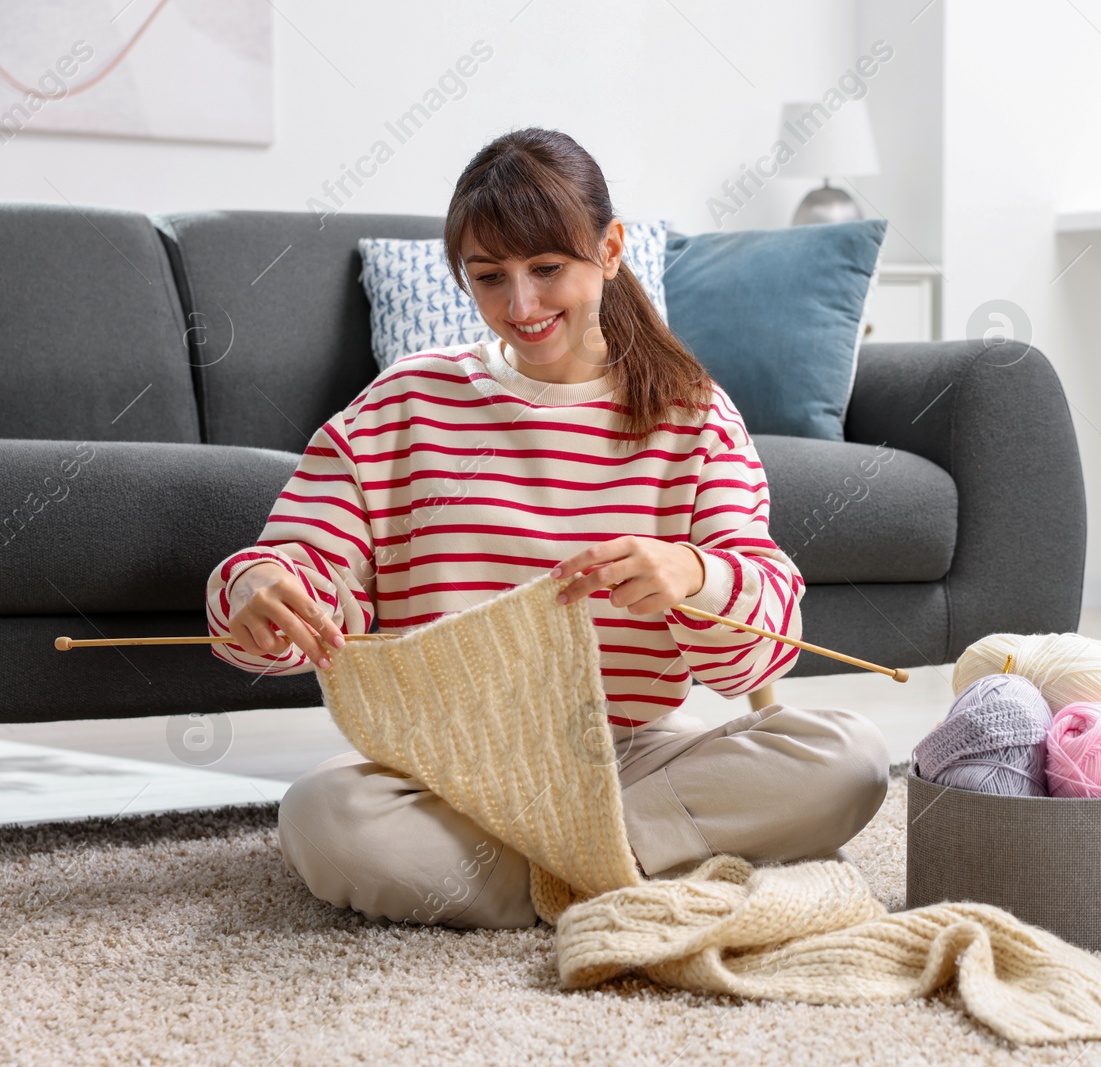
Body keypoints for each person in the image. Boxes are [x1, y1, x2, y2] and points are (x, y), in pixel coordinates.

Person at [205, 127, 888, 928]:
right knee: (325, 815)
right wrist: (257, 587)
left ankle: (531, 876)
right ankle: (620, 866)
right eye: (490, 278)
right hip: (449, 773)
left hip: (632, 756)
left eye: (547, 269)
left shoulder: (692, 415)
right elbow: (299, 574)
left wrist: (693, 576)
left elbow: (760, 650)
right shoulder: (405, 401)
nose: (520, 307)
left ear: (610, 249)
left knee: (851, 758)